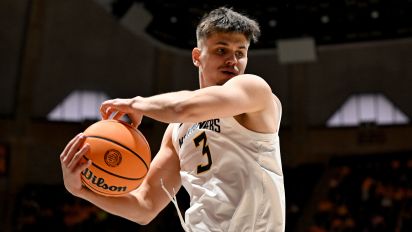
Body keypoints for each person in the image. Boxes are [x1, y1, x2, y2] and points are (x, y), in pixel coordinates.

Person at [60, 7, 285, 232]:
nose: (232, 60)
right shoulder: (177, 130)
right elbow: (145, 205)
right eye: (221, 50)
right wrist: (81, 190)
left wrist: (136, 103)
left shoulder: (255, 90)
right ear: (197, 57)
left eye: (240, 52)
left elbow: (183, 107)